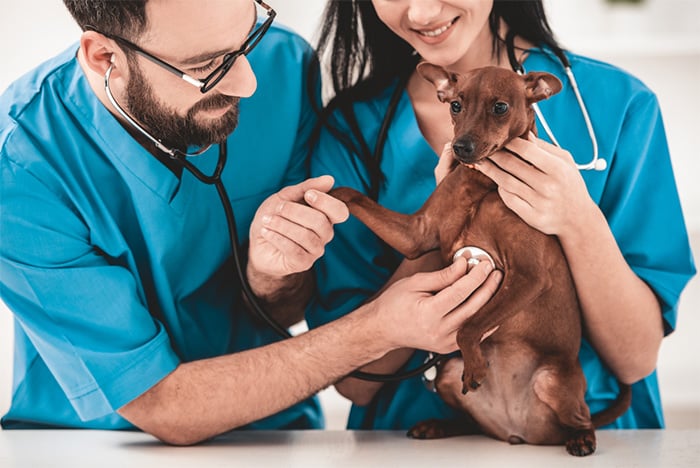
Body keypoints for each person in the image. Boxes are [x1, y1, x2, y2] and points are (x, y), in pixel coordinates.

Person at [0, 0, 503, 445]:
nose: (248, 82)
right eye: (207, 67)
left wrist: (269, 276)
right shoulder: (21, 168)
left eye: (246, 41)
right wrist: (377, 328)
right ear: (105, 58)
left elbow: (285, 310)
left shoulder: (284, 66)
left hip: (273, 430)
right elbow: (160, 403)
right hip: (90, 446)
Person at [307, 0, 696, 431]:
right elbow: (356, 385)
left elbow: (636, 358)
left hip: (576, 441)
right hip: (412, 445)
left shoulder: (618, 104)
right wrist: (445, 227)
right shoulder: (351, 129)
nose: (421, 12)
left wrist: (577, 220)